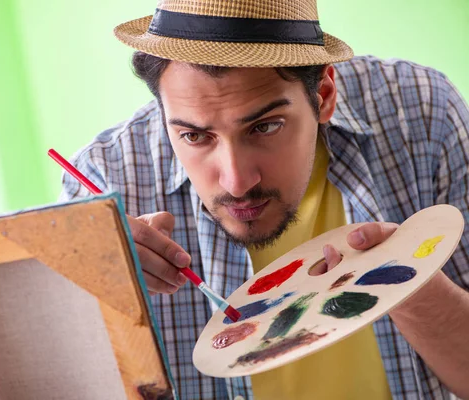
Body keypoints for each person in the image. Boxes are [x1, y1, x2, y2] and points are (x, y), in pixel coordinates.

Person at [59, 0, 469, 398]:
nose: (237, 182)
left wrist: (407, 281)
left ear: (323, 94)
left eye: (265, 126)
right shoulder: (105, 181)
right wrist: (99, 304)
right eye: (194, 136)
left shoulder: (420, 114)